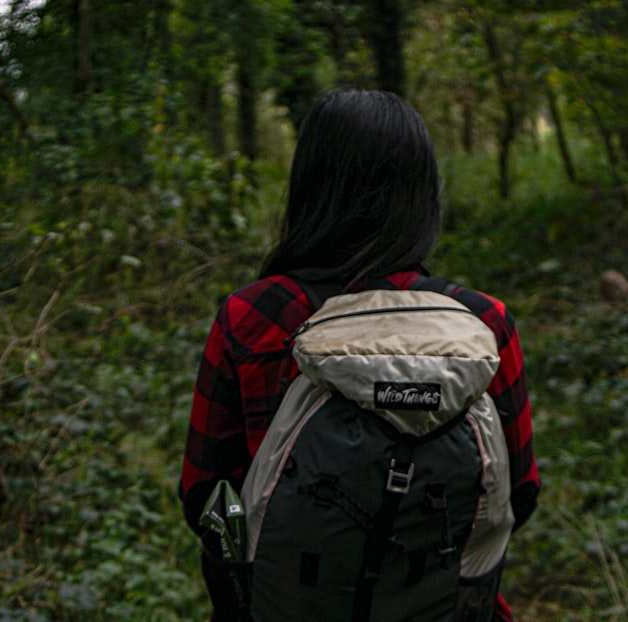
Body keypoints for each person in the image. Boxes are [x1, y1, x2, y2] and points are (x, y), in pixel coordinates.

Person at [180, 88, 539, 621]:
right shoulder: (481, 324)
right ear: (422, 194)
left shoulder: (250, 317)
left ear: (310, 188)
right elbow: (519, 495)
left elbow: (205, 497)